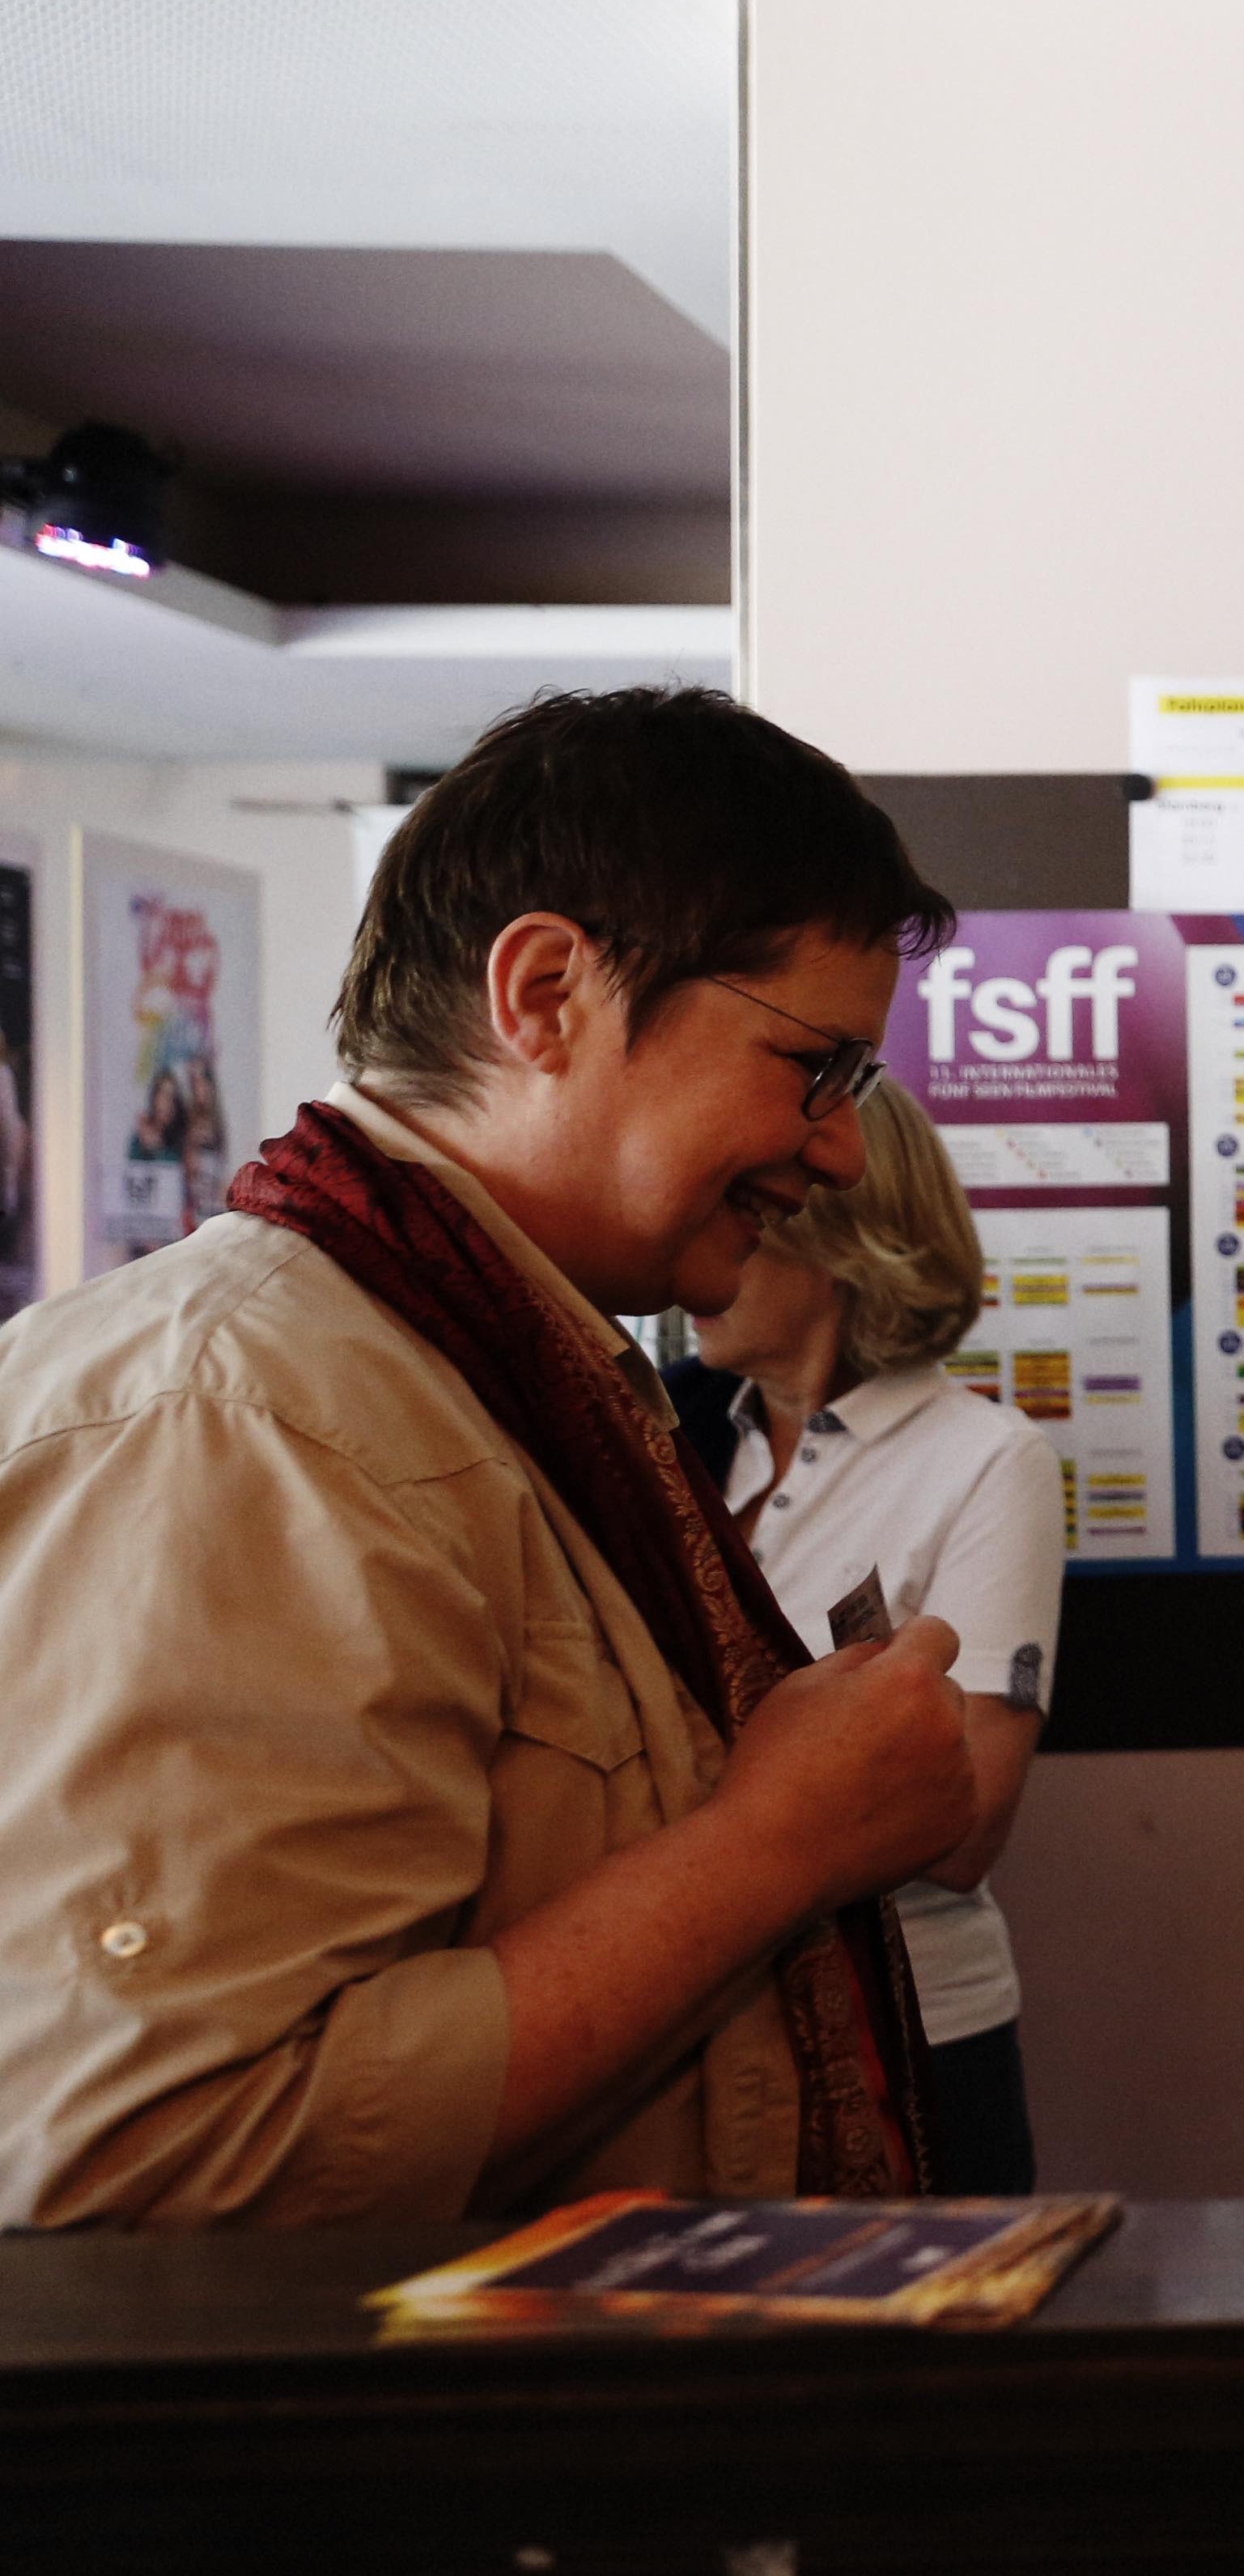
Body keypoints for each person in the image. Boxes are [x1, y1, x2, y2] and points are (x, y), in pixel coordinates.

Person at [0, 684, 976, 2225]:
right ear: (545, 993)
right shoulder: (247, 1417)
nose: (845, 1149)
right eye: (815, 1067)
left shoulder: (468, 1371)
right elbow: (168, 2168)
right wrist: (779, 1844)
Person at [686, 1082, 1067, 2192]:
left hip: (912, 2035)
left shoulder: (985, 1459)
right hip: (696, 2019)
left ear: (840, 1240)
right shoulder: (679, 1432)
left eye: (737, 1212)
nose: (698, 1252)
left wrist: (696, 1779)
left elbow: (963, 1823)